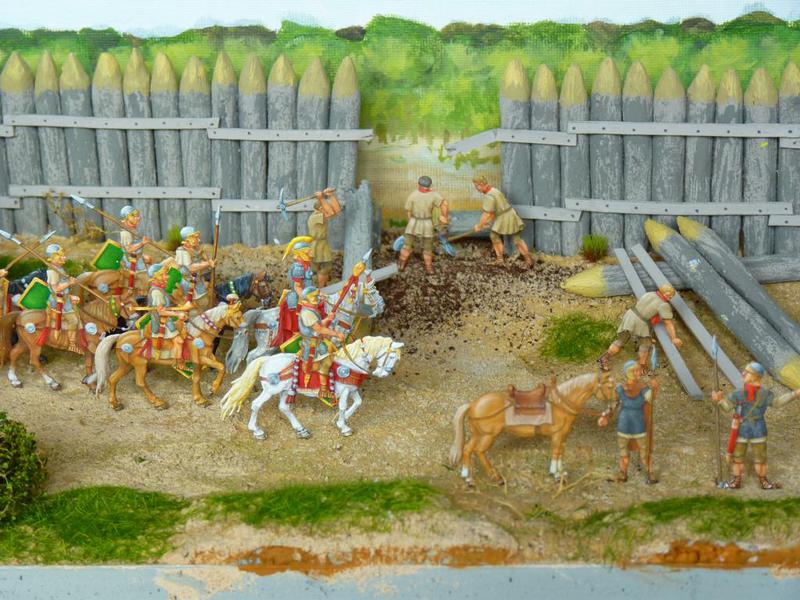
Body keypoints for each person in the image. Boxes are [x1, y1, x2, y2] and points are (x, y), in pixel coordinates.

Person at [712, 362, 800, 490]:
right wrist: (719, 400)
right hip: (742, 430)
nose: (743, 374)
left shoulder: (764, 394)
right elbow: (726, 407)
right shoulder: (738, 393)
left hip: (757, 430)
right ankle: (737, 481)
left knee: (760, 459)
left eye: (747, 372)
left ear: (755, 376)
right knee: (738, 458)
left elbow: (777, 403)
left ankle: (764, 481)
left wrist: (794, 394)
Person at [597, 283, 681, 372]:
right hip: (641, 322)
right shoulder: (663, 305)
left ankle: (604, 358)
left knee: (620, 340)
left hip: (630, 315)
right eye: (670, 296)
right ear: (666, 294)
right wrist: (674, 338)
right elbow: (668, 323)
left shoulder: (649, 293)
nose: (670, 298)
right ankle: (642, 367)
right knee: (645, 345)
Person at [598, 360, 658, 484]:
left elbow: (651, 399)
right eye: (635, 370)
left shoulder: (644, 388)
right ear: (629, 372)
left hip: (639, 426)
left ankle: (650, 474)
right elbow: (613, 405)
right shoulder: (620, 388)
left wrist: (654, 387)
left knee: (644, 453)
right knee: (623, 453)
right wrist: (605, 416)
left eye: (638, 370)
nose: (638, 373)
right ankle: (623, 474)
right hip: (624, 426)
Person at [471, 176, 534, 267]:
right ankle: (528, 259)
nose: (476, 188)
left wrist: (479, 226)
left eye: (477, 186)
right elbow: (493, 211)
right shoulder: (494, 190)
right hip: (509, 214)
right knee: (516, 238)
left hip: (504, 217)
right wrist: (487, 222)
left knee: (495, 235)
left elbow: (487, 214)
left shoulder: (489, 196)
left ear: (481, 184)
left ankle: (501, 259)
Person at [297, 286, 345, 402]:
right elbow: (319, 329)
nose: (317, 299)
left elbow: (319, 324)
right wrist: (336, 334)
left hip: (318, 342)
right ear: (306, 299)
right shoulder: (306, 313)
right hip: (311, 344)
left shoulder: (311, 310)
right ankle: (323, 390)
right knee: (327, 361)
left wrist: (328, 319)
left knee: (333, 351)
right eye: (314, 297)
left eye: (316, 296)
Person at [399, 175, 449, 274]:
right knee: (426, 248)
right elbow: (444, 204)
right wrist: (444, 216)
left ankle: (402, 264)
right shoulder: (433, 195)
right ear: (429, 185)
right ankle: (428, 267)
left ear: (418, 184)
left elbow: (408, 210)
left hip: (414, 222)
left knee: (408, 246)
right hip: (426, 223)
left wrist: (411, 221)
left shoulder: (413, 194)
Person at [274, 236, 315, 348]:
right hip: (298, 298)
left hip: (306, 296)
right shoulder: (298, 268)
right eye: (309, 251)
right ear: (302, 252)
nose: (312, 253)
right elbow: (297, 287)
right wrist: (307, 297)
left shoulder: (306, 265)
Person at [147, 262, 189, 369]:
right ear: (158, 276)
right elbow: (161, 312)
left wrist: (180, 306)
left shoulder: (161, 287)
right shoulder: (156, 292)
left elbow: (168, 300)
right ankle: (178, 363)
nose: (168, 276)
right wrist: (178, 314)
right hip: (160, 320)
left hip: (166, 316)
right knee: (179, 341)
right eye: (165, 274)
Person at [44, 244, 82, 353]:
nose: (63, 257)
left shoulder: (59, 268)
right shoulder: (52, 271)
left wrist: (70, 289)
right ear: (52, 258)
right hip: (58, 300)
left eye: (63, 255)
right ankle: (72, 344)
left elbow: (63, 285)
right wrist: (69, 283)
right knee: (74, 320)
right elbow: (56, 289)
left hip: (64, 297)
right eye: (60, 255)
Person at [307, 189, 340, 288]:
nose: (327, 208)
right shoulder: (317, 217)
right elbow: (331, 212)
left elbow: (336, 211)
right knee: (321, 268)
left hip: (322, 245)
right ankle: (319, 289)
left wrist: (331, 196)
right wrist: (321, 199)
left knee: (325, 268)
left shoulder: (321, 214)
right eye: (325, 207)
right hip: (317, 247)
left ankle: (321, 288)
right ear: (321, 208)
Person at [175, 226, 215, 304]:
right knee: (194, 301)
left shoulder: (194, 248)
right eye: (195, 238)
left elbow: (201, 256)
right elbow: (191, 268)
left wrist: (208, 260)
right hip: (188, 281)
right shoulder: (182, 251)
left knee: (204, 299)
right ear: (188, 239)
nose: (198, 240)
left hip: (198, 279)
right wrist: (208, 264)